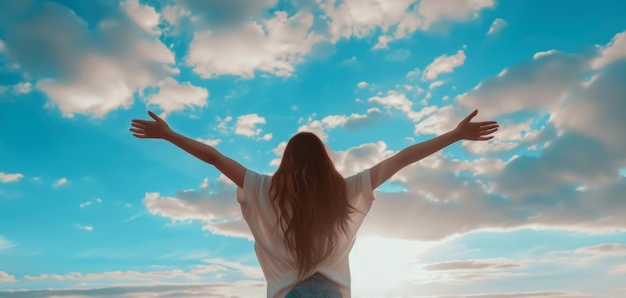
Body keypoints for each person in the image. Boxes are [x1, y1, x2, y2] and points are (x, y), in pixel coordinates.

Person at [130, 109, 498, 298]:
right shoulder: (346, 191)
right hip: (331, 293)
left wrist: (169, 134)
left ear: (286, 160)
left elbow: (214, 157)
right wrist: (455, 134)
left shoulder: (263, 188)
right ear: (325, 161)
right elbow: (401, 158)